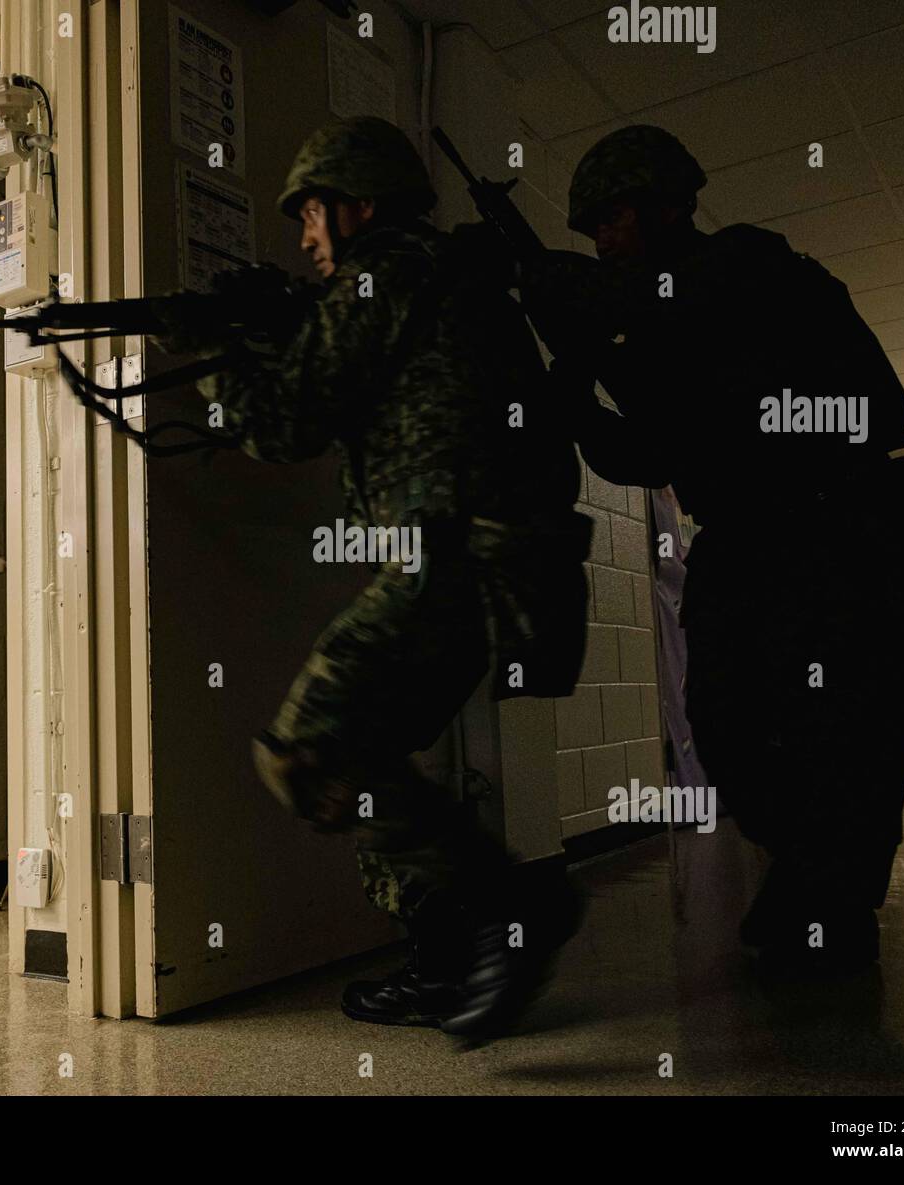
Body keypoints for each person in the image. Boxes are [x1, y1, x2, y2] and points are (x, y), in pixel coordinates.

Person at [157, 117, 591, 1034]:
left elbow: (283, 426)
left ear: (358, 206)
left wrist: (207, 350)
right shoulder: (438, 276)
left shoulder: (383, 269)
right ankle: (445, 964)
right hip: (500, 557)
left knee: (310, 747)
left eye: (311, 213)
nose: (306, 237)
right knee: (371, 767)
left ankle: (513, 912)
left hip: (463, 555)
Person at [529, 124, 904, 975]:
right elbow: (643, 453)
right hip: (743, 541)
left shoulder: (750, 267)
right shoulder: (658, 328)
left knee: (848, 722)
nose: (602, 239)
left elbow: (676, 299)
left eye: (613, 218)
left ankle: (835, 902)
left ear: (671, 206)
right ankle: (811, 873)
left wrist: (582, 295)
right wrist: (571, 386)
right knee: (723, 723)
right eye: (590, 228)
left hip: (831, 526)